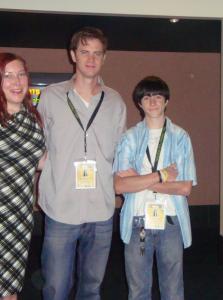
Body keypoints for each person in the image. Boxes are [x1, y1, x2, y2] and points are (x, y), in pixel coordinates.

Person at [37, 27, 126, 300]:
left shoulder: (115, 101)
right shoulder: (51, 96)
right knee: (56, 288)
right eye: (84, 52)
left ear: (104, 58)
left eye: (97, 53)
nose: (91, 59)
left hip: (101, 209)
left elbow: (121, 154)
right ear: (72, 55)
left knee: (91, 288)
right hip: (60, 208)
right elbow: (37, 144)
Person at [113, 76, 197, 300]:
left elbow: (185, 188)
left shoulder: (180, 137)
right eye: (147, 97)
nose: (152, 102)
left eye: (158, 96)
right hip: (137, 222)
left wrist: (141, 180)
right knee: (138, 289)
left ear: (166, 101)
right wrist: (162, 175)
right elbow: (120, 185)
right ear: (139, 103)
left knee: (172, 289)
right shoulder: (129, 138)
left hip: (170, 221)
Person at [0, 53, 45, 300]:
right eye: (7, 75)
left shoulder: (31, 119)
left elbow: (39, 161)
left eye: (21, 74)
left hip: (18, 218)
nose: (16, 82)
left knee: (10, 289)